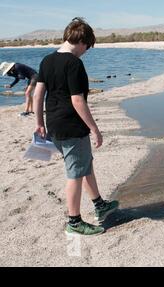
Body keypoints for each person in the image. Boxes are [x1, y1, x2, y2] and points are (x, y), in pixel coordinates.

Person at [34, 17, 119, 236]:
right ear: (81, 41)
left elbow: (38, 93)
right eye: (87, 47)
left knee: (84, 163)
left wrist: (39, 123)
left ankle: (100, 205)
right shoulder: (73, 63)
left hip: (53, 124)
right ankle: (74, 223)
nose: (86, 52)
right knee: (75, 174)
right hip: (72, 126)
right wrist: (95, 129)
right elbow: (77, 100)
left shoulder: (47, 60)